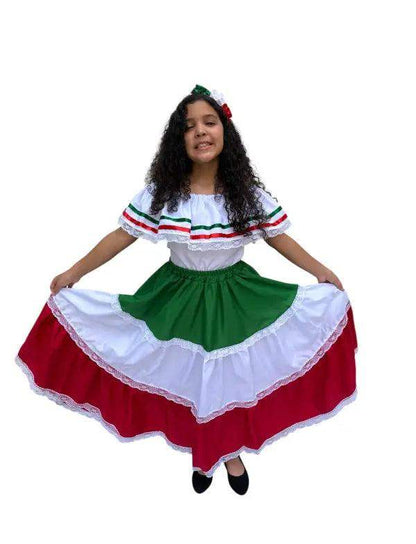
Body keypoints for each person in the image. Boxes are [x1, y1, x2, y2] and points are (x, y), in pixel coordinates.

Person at [15, 84, 358, 496]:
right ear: (178, 140)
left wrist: (320, 270)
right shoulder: (165, 194)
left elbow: (277, 237)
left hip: (235, 297)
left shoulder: (245, 195)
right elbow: (122, 235)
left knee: (229, 376)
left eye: (209, 122)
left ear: (225, 132)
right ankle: (205, 449)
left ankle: (227, 452)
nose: (200, 132)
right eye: (189, 126)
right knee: (190, 375)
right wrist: (75, 271)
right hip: (177, 297)